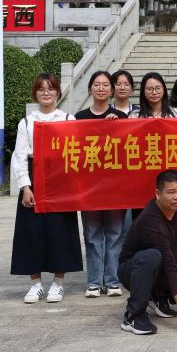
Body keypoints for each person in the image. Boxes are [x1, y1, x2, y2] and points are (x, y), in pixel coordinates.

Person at [10, 73, 83, 303]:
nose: (46, 93)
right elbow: (20, 156)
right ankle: (35, 284)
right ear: (35, 93)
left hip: (61, 178)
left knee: (60, 231)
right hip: (34, 177)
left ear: (58, 93)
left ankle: (58, 284)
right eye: (41, 89)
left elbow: (77, 151)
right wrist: (25, 186)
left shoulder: (68, 119)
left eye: (50, 88)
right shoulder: (26, 122)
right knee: (31, 231)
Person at [118, 169, 177, 335]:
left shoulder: (171, 210)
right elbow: (168, 265)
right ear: (158, 194)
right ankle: (133, 315)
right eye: (171, 192)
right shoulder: (151, 221)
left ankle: (160, 296)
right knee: (153, 256)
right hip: (132, 270)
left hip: (157, 268)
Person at [74, 70, 128, 298]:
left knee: (115, 234)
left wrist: (116, 128)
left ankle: (113, 281)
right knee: (92, 234)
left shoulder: (121, 117)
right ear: (89, 89)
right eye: (97, 84)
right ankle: (95, 282)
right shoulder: (79, 118)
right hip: (89, 187)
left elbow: (127, 150)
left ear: (112, 90)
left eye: (106, 85)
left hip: (115, 186)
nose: (101, 88)